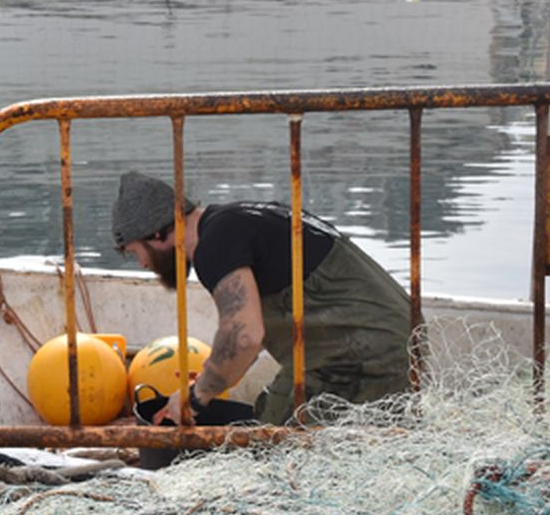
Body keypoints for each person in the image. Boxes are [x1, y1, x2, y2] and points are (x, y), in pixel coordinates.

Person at [110, 171, 412, 427]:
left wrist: (196, 399)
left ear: (158, 234)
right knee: (271, 409)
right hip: (388, 337)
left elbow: (244, 336)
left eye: (137, 252)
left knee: (273, 437)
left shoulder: (214, 245)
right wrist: (207, 381)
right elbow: (248, 334)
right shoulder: (234, 221)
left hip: (368, 355)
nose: (143, 265)